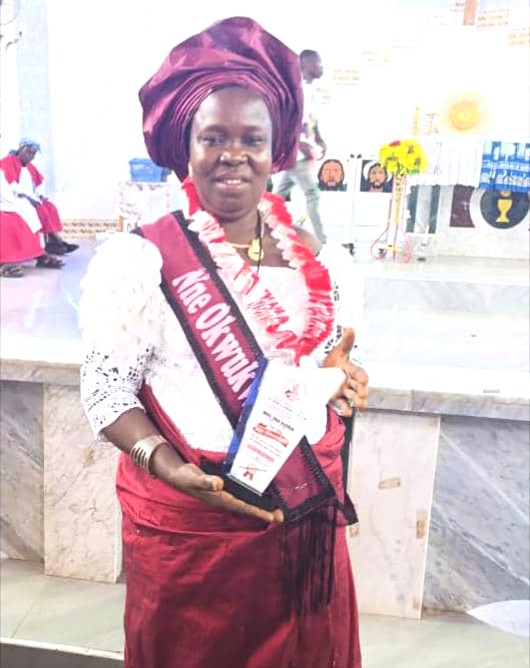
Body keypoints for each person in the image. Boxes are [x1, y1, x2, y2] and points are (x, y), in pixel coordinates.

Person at [79, 17, 368, 668]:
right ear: (188, 148)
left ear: (276, 151)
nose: (233, 154)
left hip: (302, 528)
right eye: (214, 137)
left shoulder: (324, 264)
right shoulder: (141, 262)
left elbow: (325, 363)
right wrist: (164, 463)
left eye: (251, 139)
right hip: (191, 528)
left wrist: (343, 374)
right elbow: (104, 392)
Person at [274, 49, 328, 242]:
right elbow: (288, 120)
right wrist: (298, 143)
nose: (322, 67)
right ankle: (322, 241)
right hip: (295, 152)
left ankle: (262, 224)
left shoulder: (312, 91)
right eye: (318, 63)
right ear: (304, 65)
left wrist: (319, 138)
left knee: (277, 196)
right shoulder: (296, 90)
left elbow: (310, 120)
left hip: (303, 152)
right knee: (312, 193)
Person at [0, 139, 68, 277]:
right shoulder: (7, 163)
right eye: (28, 152)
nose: (31, 156)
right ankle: (4, 263)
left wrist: (25, 200)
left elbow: (9, 189)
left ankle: (39, 255)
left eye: (33, 153)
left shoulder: (23, 166)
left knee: (26, 215)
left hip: (8, 201)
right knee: (6, 223)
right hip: (7, 201)